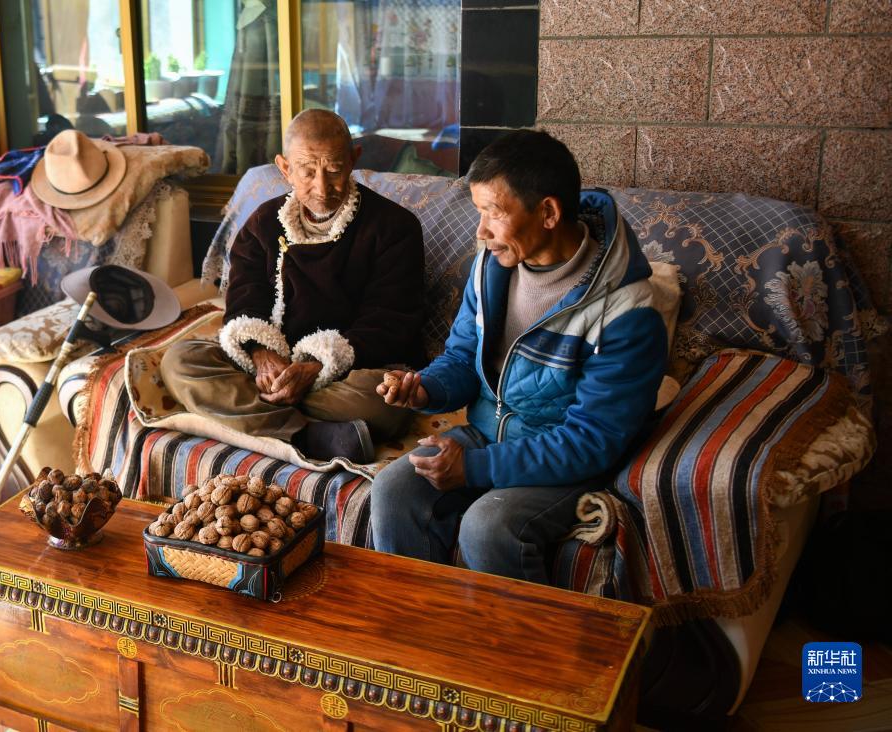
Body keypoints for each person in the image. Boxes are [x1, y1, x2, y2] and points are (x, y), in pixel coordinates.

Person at [371, 129, 668, 584]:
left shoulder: (627, 310)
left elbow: (592, 440)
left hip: (566, 460)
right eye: (479, 212)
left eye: (494, 212)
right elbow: (463, 356)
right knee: (394, 489)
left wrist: (474, 468)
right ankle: (423, 622)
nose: (481, 231)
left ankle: (516, 633)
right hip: (488, 433)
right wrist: (424, 389)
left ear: (548, 212)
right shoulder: (490, 267)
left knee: (489, 525)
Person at [161, 110, 425, 463]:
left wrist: (315, 366)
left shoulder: (395, 227)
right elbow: (243, 299)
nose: (322, 187)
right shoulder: (263, 223)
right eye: (307, 171)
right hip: (273, 364)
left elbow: (390, 320)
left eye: (334, 169)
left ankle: (250, 414)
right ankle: (308, 435)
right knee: (180, 361)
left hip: (348, 370)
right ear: (285, 168)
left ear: (353, 160)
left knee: (385, 403)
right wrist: (261, 353)